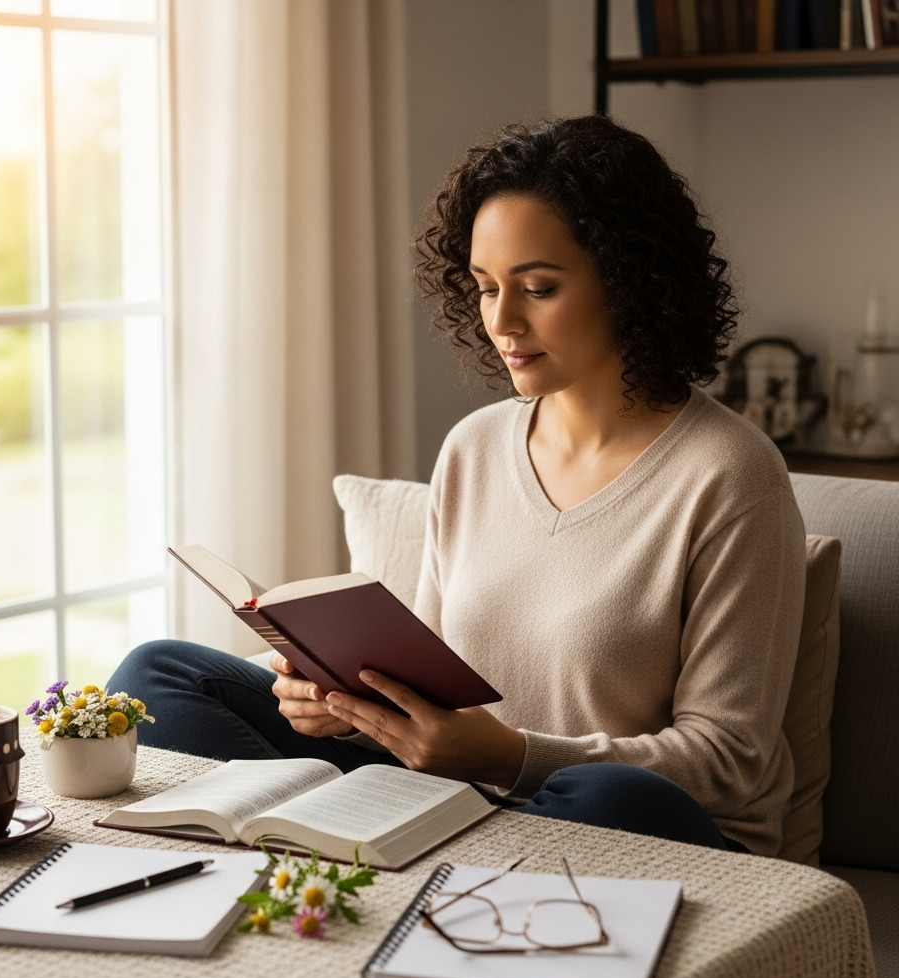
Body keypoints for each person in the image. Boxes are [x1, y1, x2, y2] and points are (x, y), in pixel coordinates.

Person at [110, 116, 806, 856]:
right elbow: (435, 695)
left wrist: (512, 757)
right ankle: (391, 852)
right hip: (467, 801)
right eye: (485, 288)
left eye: (538, 288)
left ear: (630, 281)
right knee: (159, 672)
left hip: (624, 820)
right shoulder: (475, 447)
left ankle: (385, 854)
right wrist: (349, 709)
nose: (502, 321)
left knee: (608, 791)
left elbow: (731, 761)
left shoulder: (730, 473)